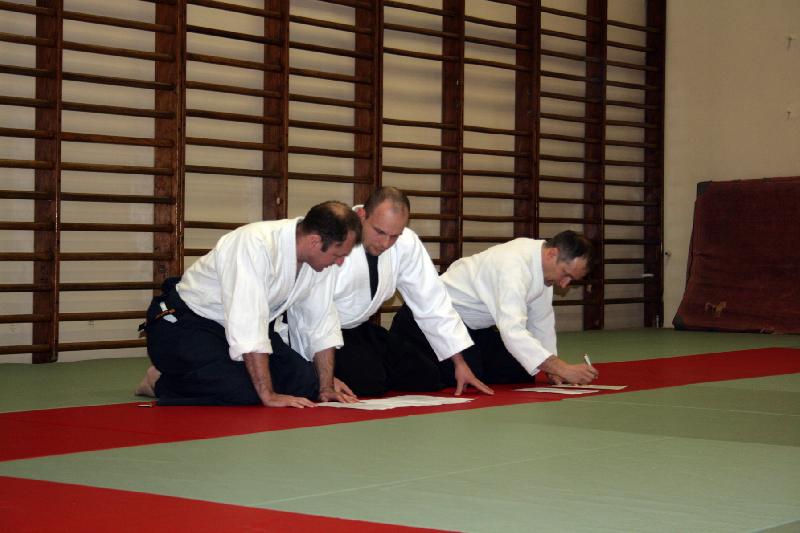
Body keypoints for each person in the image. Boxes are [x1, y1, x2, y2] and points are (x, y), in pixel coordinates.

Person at [135, 201, 361, 408]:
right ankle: (159, 380)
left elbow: (320, 320)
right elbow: (248, 319)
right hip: (186, 323)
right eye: (338, 255)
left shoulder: (319, 262)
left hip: (234, 326)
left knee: (305, 383)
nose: (341, 262)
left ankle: (204, 372)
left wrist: (325, 386)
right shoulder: (255, 244)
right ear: (314, 241)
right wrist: (268, 395)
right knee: (246, 391)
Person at [332, 187, 493, 397]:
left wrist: (459, 363)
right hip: (322, 333)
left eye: (394, 236)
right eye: (379, 232)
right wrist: (324, 376)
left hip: (359, 329)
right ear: (362, 215)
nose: (386, 243)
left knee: (426, 375)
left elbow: (431, 301)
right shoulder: (335, 236)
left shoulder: (406, 242)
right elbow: (308, 309)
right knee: (369, 381)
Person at [391, 230, 599, 386]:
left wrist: (554, 369)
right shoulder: (513, 265)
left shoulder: (543, 268)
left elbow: (541, 321)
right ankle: (399, 354)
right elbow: (512, 331)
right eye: (566, 274)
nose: (564, 284)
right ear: (552, 254)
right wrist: (563, 368)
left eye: (571, 280)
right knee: (466, 372)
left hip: (471, 328)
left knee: (522, 370)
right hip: (429, 323)